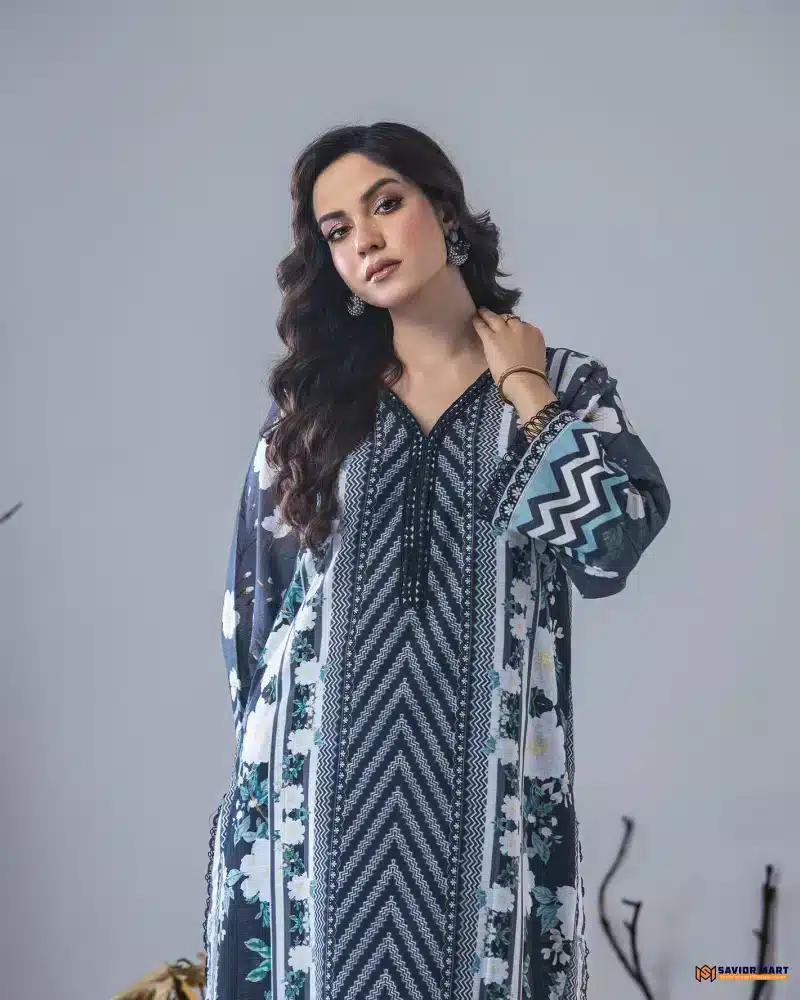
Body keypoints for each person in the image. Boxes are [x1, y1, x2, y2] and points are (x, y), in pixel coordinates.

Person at [203, 121, 671, 1000]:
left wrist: (526, 392)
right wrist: (269, 793)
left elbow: (613, 547)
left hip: (489, 805)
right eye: (338, 230)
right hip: (315, 806)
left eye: (385, 204)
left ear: (446, 211)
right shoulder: (312, 413)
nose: (366, 240)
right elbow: (255, 622)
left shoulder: (563, 387)